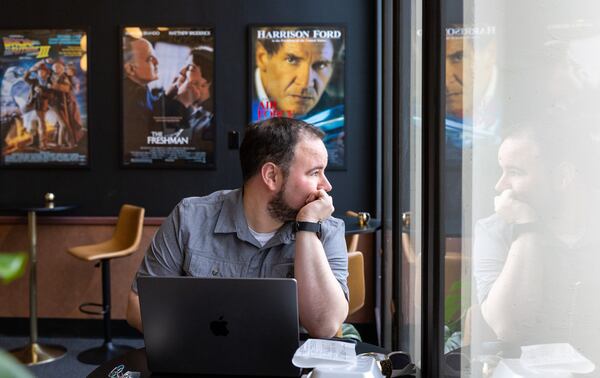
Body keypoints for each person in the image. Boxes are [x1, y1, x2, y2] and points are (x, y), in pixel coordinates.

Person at [126, 117, 349, 338]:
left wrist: (307, 228)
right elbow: (138, 306)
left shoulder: (326, 229)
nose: (326, 185)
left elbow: (325, 326)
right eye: (315, 172)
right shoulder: (189, 218)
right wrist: (202, 342)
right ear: (271, 176)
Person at [472, 122, 600, 371]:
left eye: (515, 172)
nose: (500, 186)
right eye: (502, 171)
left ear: (562, 177)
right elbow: (507, 327)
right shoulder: (494, 230)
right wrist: (526, 227)